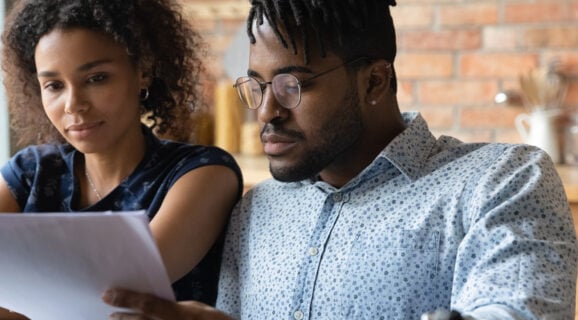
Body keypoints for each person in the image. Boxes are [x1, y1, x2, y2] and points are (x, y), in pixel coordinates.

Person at [102, 0, 578, 319]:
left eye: (293, 85)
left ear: (374, 82)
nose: (266, 111)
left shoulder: (499, 183)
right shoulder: (255, 211)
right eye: (257, 86)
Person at [0, 0, 242, 319]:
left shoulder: (202, 173)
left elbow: (108, 294)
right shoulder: (32, 171)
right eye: (53, 85)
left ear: (143, 71)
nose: (73, 104)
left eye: (96, 78)